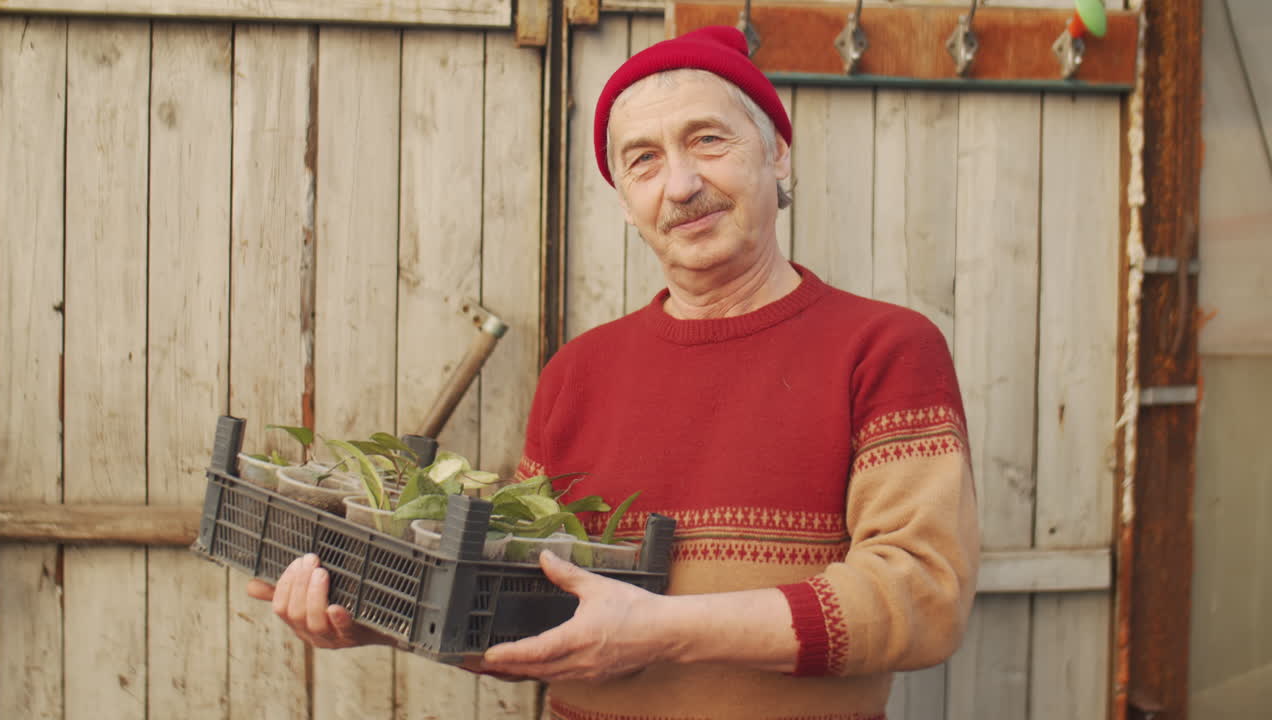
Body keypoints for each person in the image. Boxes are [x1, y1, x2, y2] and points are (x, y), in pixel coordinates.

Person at [248, 25, 979, 720]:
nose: (683, 183)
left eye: (708, 140)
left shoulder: (883, 348)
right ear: (626, 202)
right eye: (644, 161)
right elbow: (528, 603)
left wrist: (663, 629)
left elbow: (921, 595)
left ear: (777, 155)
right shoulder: (579, 372)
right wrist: (379, 619)